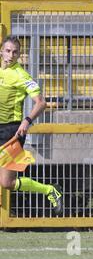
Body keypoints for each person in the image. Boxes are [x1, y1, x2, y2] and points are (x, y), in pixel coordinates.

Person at [0, 35, 63, 215]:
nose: (11, 55)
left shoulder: (21, 75)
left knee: (7, 183)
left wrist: (26, 121)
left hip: (11, 131)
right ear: (1, 51)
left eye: (15, 52)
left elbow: (41, 103)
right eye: (8, 51)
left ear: (19, 55)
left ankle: (50, 190)